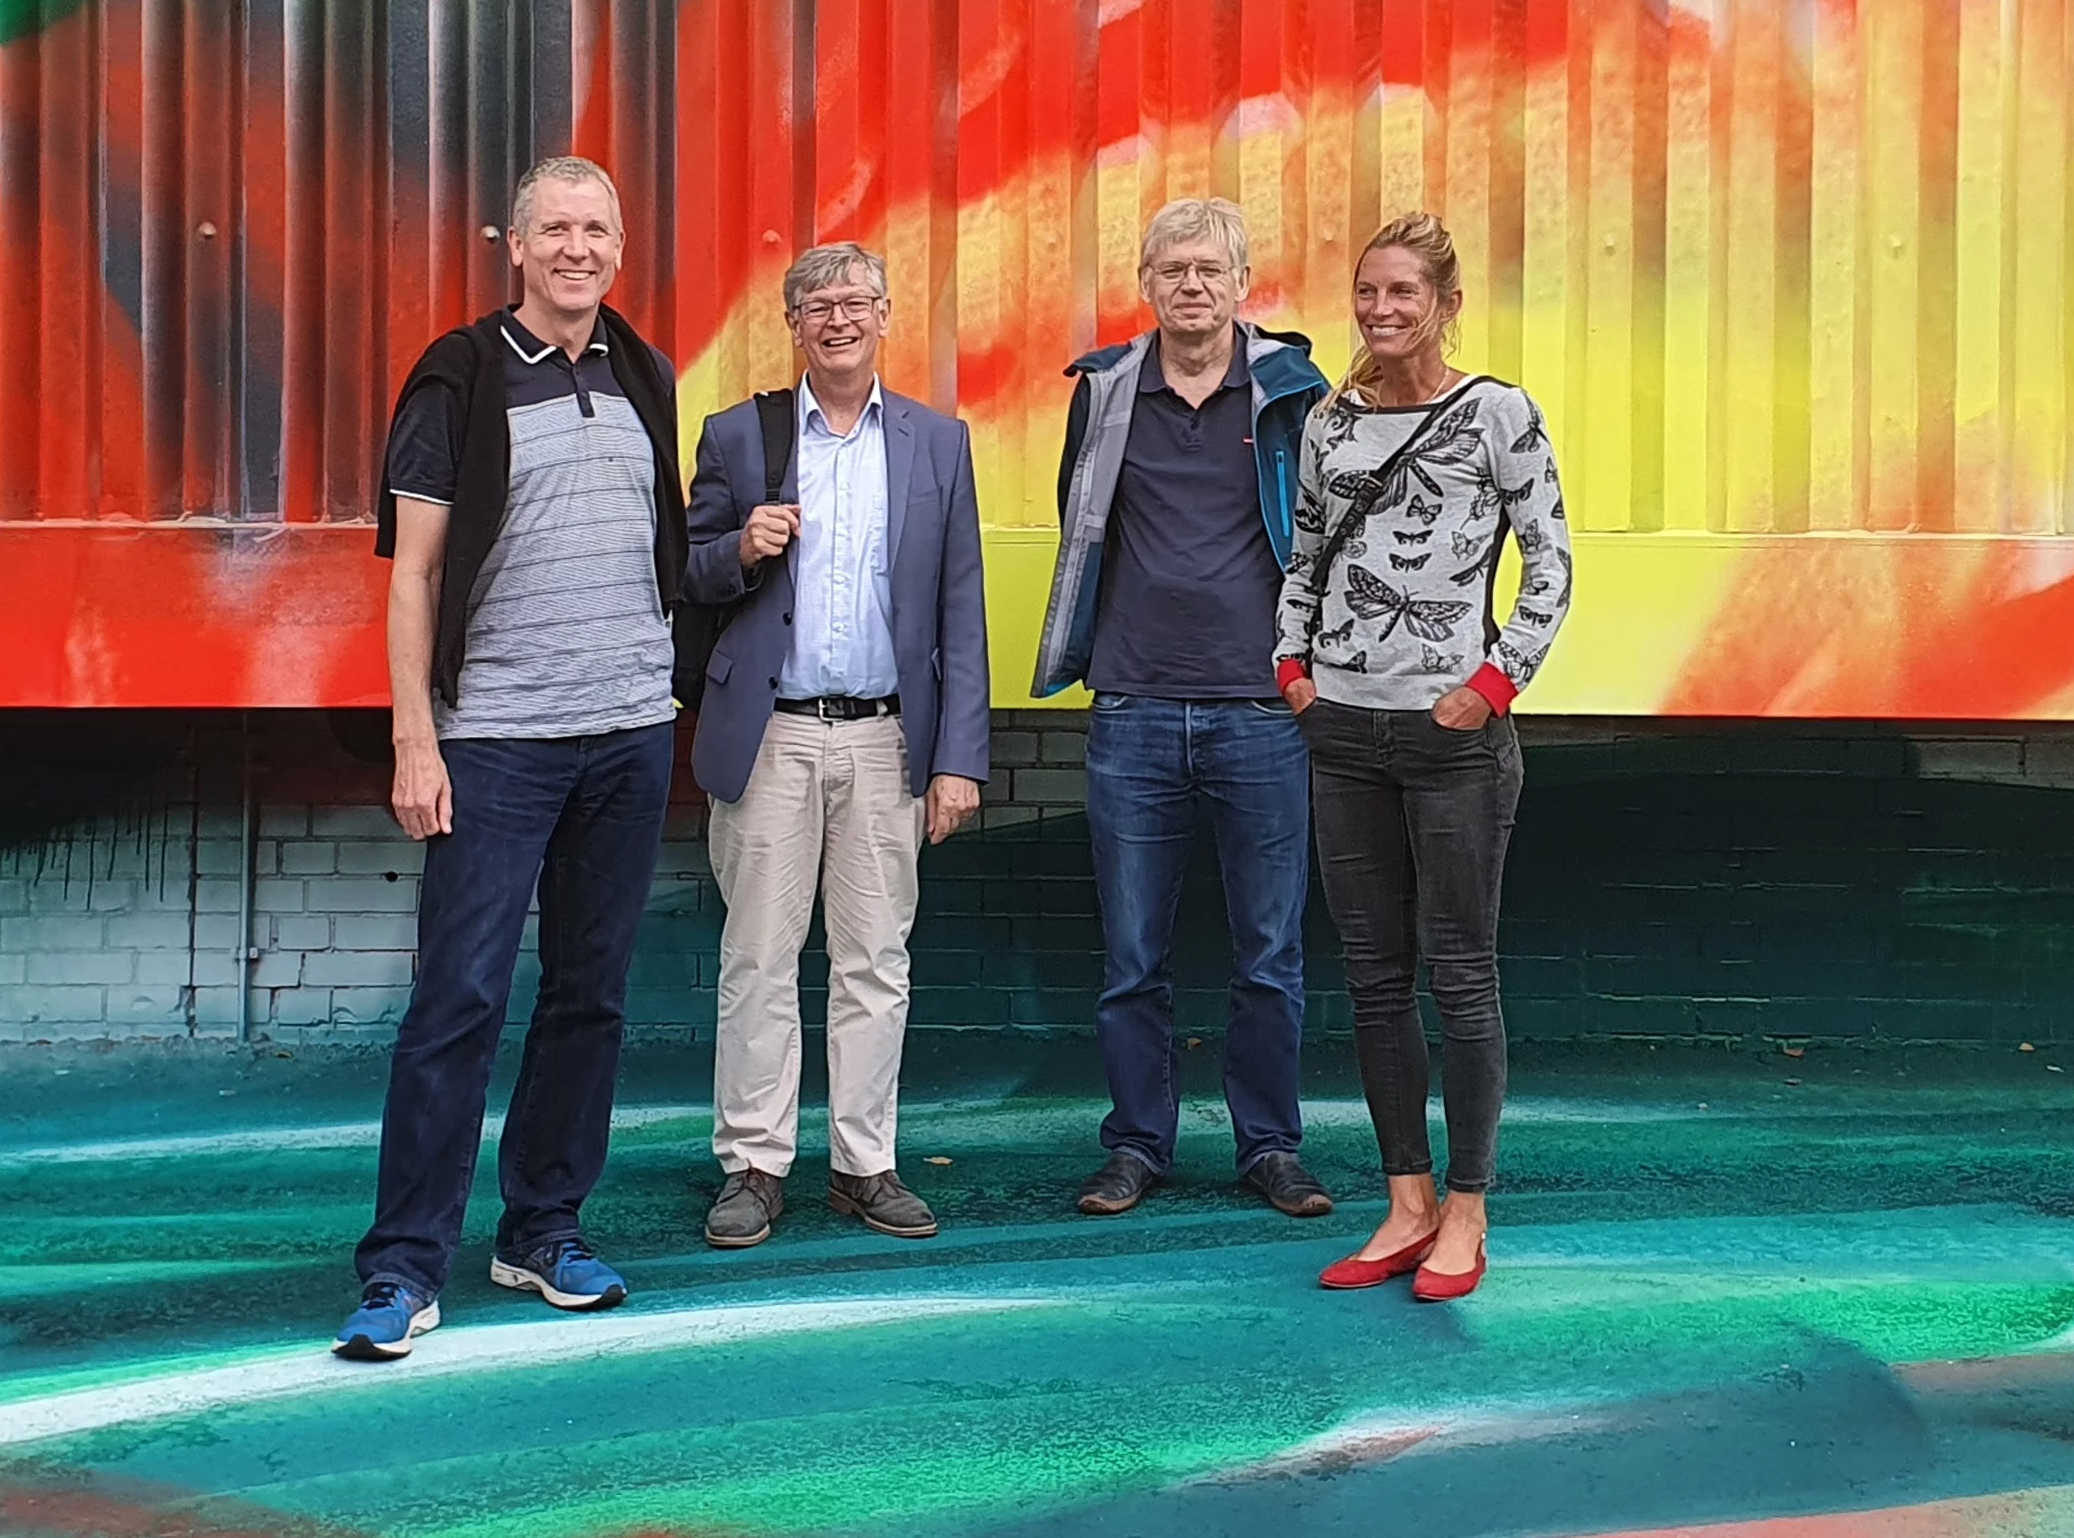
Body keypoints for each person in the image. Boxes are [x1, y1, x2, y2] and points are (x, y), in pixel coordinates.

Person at [335, 156, 685, 1359]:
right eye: (557, 228)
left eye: (597, 229)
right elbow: (415, 575)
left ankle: (543, 1229)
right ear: (517, 246)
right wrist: (414, 738)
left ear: (618, 249)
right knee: (459, 999)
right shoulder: (460, 375)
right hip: (494, 740)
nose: (577, 248)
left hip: (628, 730)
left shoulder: (642, 370)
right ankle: (401, 1266)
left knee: (589, 997)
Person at [1276, 211, 1572, 1302]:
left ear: (1446, 304)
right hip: (1343, 734)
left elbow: (1550, 563)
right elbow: (1305, 556)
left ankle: (1467, 1209)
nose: (1380, 309)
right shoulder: (1329, 421)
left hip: (1453, 745)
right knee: (1372, 978)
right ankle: (1405, 1202)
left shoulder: (1497, 413)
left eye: (1403, 291)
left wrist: (1491, 685)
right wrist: (1291, 670)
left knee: (1461, 973)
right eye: (1367, 291)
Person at [1031, 198, 1335, 1219]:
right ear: (1146, 283)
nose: (1192, 285)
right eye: (1173, 269)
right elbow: (1082, 526)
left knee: (1270, 955)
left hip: (1262, 713)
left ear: (1242, 283)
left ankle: (1270, 1146)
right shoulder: (1106, 392)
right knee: (1131, 958)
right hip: (1133, 708)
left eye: (1210, 268)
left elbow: (1324, 535)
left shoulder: (1293, 393)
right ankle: (1135, 1146)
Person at [683, 242, 989, 1249]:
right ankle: (753, 1165)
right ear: (793, 324)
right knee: (757, 958)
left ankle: (864, 1164)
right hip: (770, 732)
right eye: (818, 304)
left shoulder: (937, 443)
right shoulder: (739, 435)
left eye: (857, 301)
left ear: (886, 315)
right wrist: (739, 548)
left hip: (886, 737)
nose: (839, 318)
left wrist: (957, 758)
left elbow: (959, 607)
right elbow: (684, 571)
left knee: (874, 961)